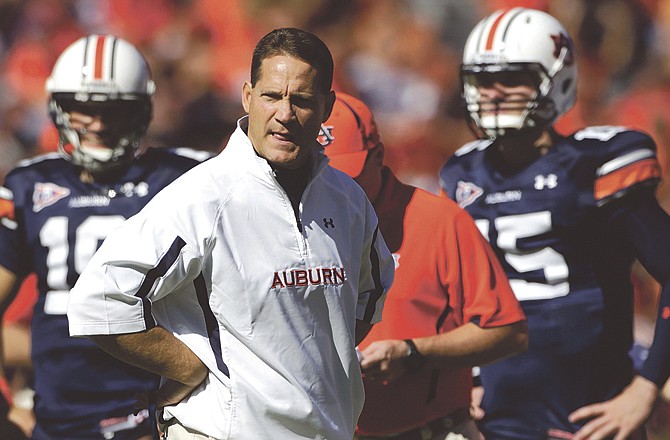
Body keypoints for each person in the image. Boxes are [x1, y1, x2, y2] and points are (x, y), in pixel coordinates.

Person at [67, 27, 395, 440]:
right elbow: (98, 301)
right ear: (247, 96)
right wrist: (186, 366)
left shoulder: (348, 200)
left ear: (327, 107)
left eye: (303, 101)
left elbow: (369, 297)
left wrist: (313, 366)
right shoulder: (203, 195)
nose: (285, 114)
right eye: (272, 96)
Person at [439, 7, 670, 440]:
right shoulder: (461, 173)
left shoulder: (598, 162)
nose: (493, 92)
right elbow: (450, 294)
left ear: (556, 78)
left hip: (587, 417)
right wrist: (458, 378)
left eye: (512, 77)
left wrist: (645, 387)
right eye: (483, 79)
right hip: (493, 417)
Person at [0, 34, 211, 440]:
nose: (98, 124)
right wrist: (8, 404)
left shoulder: (187, 177)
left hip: (163, 411)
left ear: (143, 110)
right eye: (82, 109)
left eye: (115, 110)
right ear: (58, 106)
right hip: (58, 414)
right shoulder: (29, 185)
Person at [320, 92, 528, 440]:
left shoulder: (438, 220)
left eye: (347, 176)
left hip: (432, 430)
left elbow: (507, 331)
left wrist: (413, 353)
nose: (336, 191)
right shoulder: (290, 228)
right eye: (321, 178)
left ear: (378, 156)